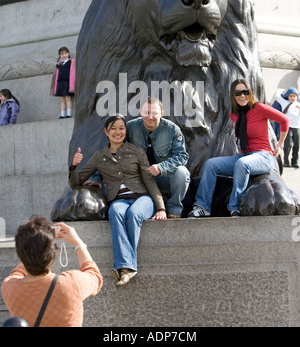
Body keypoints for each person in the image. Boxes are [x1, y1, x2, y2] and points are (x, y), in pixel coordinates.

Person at [69, 114, 167, 288]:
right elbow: (76, 182)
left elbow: (149, 180)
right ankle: (126, 268)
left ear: (125, 131)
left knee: (134, 213)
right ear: (106, 132)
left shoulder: (137, 151)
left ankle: (124, 268)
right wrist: (74, 166)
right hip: (118, 200)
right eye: (113, 128)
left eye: (121, 128)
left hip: (142, 198)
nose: (118, 132)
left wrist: (160, 208)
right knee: (115, 212)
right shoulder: (99, 156)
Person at [187, 79, 289, 218]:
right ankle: (203, 207)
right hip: (245, 155)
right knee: (211, 164)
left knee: (243, 164)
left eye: (245, 92)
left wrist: (280, 144)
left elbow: (284, 120)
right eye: (238, 93)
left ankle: (235, 207)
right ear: (233, 95)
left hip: (263, 156)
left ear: (250, 93)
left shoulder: (259, 108)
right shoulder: (234, 115)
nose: (242, 96)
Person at [1, 216, 103, 327]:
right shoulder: (72, 284)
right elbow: (94, 275)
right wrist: (77, 242)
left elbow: (19, 270)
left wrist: (34, 244)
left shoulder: (9, 287)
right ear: (52, 254)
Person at [126, 97, 190, 219]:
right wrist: (96, 176)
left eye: (154, 113)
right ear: (140, 112)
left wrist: (161, 167)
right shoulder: (130, 127)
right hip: (140, 180)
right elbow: (113, 149)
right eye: (146, 112)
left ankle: (174, 210)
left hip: (163, 178)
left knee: (182, 173)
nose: (150, 116)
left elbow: (182, 156)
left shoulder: (172, 129)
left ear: (161, 113)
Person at [274, 87, 300, 168]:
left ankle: (295, 161)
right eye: (291, 96)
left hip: (296, 127)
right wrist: (281, 90)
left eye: (294, 96)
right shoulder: (284, 102)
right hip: (287, 128)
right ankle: (286, 161)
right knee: (287, 145)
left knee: (296, 145)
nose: (293, 98)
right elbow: (277, 96)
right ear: (288, 97)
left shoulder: (298, 105)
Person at [51, 46, 75, 118]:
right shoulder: (59, 64)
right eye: (62, 54)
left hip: (67, 82)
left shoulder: (71, 62)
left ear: (68, 53)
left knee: (68, 98)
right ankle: (62, 114)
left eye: (65, 53)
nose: (64, 55)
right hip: (60, 83)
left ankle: (69, 114)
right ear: (60, 55)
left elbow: (73, 73)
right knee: (62, 99)